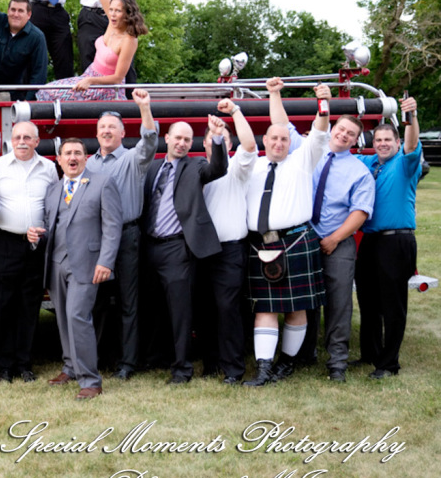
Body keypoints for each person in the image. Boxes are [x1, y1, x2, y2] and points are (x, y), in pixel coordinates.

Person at [243, 79, 331, 386]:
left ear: (290, 142)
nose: (279, 143)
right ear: (264, 140)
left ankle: (287, 363)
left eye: (284, 138)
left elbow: (319, 131)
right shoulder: (251, 165)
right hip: (259, 244)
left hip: (295, 240)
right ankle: (264, 368)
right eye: (274, 138)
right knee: (264, 308)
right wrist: (273, 93)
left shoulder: (303, 161)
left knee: (296, 308)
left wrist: (323, 103)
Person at [28, 138, 122, 400]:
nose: (72, 157)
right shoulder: (54, 190)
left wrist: (106, 261)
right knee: (62, 318)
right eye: (67, 153)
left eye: (77, 153)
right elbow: (51, 227)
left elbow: (112, 226)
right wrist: (36, 237)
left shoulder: (103, 183)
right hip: (56, 263)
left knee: (78, 316)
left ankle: (90, 380)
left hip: (88, 263)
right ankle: (70, 367)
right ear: (59, 160)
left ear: (86, 157)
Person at [141, 116, 228, 384]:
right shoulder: (153, 168)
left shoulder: (197, 166)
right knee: (153, 307)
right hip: (149, 246)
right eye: (177, 137)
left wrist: (217, 138)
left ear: (192, 144)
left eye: (187, 139)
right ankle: (156, 357)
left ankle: (182, 368)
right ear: (166, 138)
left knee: (181, 312)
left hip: (178, 249)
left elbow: (218, 168)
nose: (181, 143)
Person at [295, 109, 375, 383]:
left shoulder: (360, 172)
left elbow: (360, 211)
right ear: (332, 129)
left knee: (339, 303)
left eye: (350, 134)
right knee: (304, 299)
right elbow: (282, 125)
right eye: (341, 129)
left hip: (338, 242)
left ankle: (337, 362)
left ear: (355, 140)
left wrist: (334, 238)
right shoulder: (309, 153)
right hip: (304, 238)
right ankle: (304, 353)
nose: (344, 135)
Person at [84, 89, 158, 380]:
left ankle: (128, 363)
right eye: (102, 127)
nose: (106, 131)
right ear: (96, 132)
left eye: (112, 127)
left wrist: (144, 107)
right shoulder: (88, 164)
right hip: (97, 239)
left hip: (127, 238)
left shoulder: (133, 160)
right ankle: (97, 358)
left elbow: (149, 140)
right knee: (98, 302)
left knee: (129, 302)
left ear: (123, 133)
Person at [354, 96, 421, 379]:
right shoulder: (369, 162)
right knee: (368, 301)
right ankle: (370, 354)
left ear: (396, 142)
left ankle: (389, 364)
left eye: (387, 140)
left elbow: (412, 143)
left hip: (396, 241)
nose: (382, 144)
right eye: (378, 139)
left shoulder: (405, 163)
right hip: (370, 240)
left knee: (393, 304)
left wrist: (411, 117)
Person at [0, 121, 58, 382]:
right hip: (4, 242)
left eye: (28, 137)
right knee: (2, 304)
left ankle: (24, 364)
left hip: (36, 244)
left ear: (37, 141)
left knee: (30, 305)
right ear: (11, 140)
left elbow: (53, 205)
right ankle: (4, 367)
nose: (22, 142)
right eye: (17, 137)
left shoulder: (49, 168)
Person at [195, 98, 258, 384]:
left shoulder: (237, 169)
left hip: (229, 250)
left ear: (229, 145)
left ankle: (233, 368)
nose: (217, 141)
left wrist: (234, 112)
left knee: (227, 308)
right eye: (212, 138)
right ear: (204, 144)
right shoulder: (197, 171)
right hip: (200, 251)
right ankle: (210, 363)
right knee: (205, 308)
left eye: (223, 138)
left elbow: (250, 145)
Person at [35, 0, 146, 102]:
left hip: (105, 88)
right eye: (111, 10)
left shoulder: (129, 40)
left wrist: (91, 81)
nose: (112, 14)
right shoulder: (111, 22)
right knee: (45, 91)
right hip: (89, 76)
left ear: (127, 13)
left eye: (118, 11)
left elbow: (118, 78)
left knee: (51, 94)